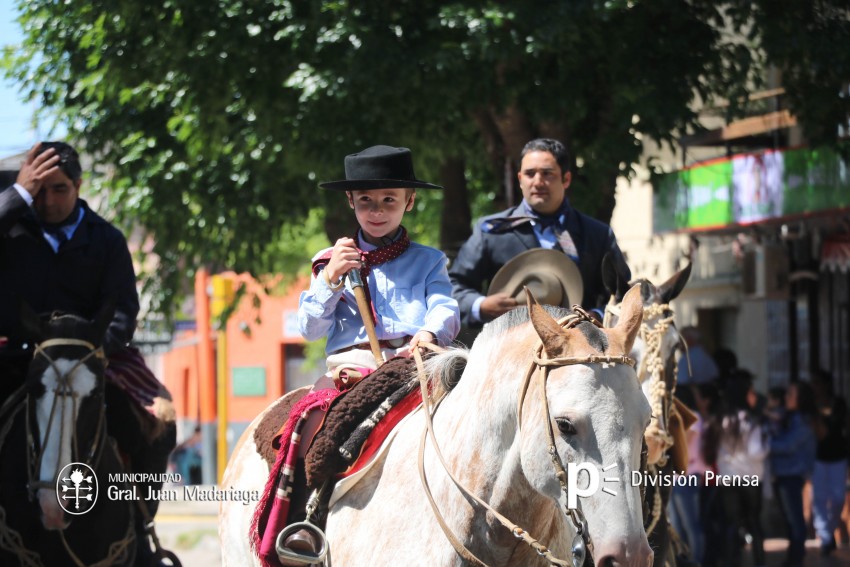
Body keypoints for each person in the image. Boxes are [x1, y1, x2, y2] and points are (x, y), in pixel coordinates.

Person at [263, 145, 460, 565]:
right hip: (352, 370)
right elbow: (310, 329)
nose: (377, 210)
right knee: (313, 428)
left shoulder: (429, 261)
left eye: (389, 199)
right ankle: (306, 521)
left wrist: (427, 331)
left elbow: (445, 307)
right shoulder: (328, 262)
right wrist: (331, 280)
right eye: (366, 200)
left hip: (416, 364)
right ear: (350, 201)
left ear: (409, 201)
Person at [0, 141, 175, 563]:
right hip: (17, 358)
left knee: (157, 421)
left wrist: (93, 351)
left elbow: (123, 313)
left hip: (95, 358)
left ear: (78, 185)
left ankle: (140, 531)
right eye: (38, 190)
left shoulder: (107, 240)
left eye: (59, 189)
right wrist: (17, 195)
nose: (48, 200)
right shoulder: (12, 227)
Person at [449, 138, 630, 330]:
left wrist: (597, 316)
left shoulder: (598, 234)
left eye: (547, 174)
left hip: (581, 350)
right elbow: (453, 287)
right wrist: (481, 306)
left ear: (566, 179)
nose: (538, 182)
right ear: (520, 180)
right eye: (530, 174)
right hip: (510, 349)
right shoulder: (492, 232)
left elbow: (624, 294)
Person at [715, 371, 768, 567]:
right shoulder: (751, 420)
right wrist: (768, 444)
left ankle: (731, 562)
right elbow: (756, 452)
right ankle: (760, 562)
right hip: (751, 478)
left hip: (728, 477)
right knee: (754, 522)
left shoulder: (720, 419)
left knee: (732, 524)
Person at [770, 381, 818, 567]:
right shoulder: (789, 417)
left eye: (791, 395)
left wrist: (765, 443)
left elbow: (788, 445)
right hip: (784, 473)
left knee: (795, 520)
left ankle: (796, 558)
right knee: (791, 520)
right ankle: (794, 557)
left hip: (792, 474)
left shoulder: (803, 421)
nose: (786, 398)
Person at [811, 369, 848, 556]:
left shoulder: (838, 403)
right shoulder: (810, 405)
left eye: (817, 383)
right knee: (819, 498)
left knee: (838, 497)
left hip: (837, 455)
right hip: (817, 457)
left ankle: (830, 528)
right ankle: (825, 537)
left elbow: (834, 427)